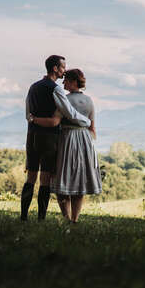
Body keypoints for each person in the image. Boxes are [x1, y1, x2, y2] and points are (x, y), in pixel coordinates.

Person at [22, 55, 91, 220]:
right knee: (44, 178)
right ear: (54, 68)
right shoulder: (56, 89)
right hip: (48, 138)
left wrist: (33, 120)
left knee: (31, 177)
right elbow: (70, 112)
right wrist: (86, 121)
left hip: (31, 135)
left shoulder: (33, 87)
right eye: (62, 68)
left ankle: (23, 216)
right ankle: (40, 218)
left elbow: (27, 113)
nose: (64, 71)